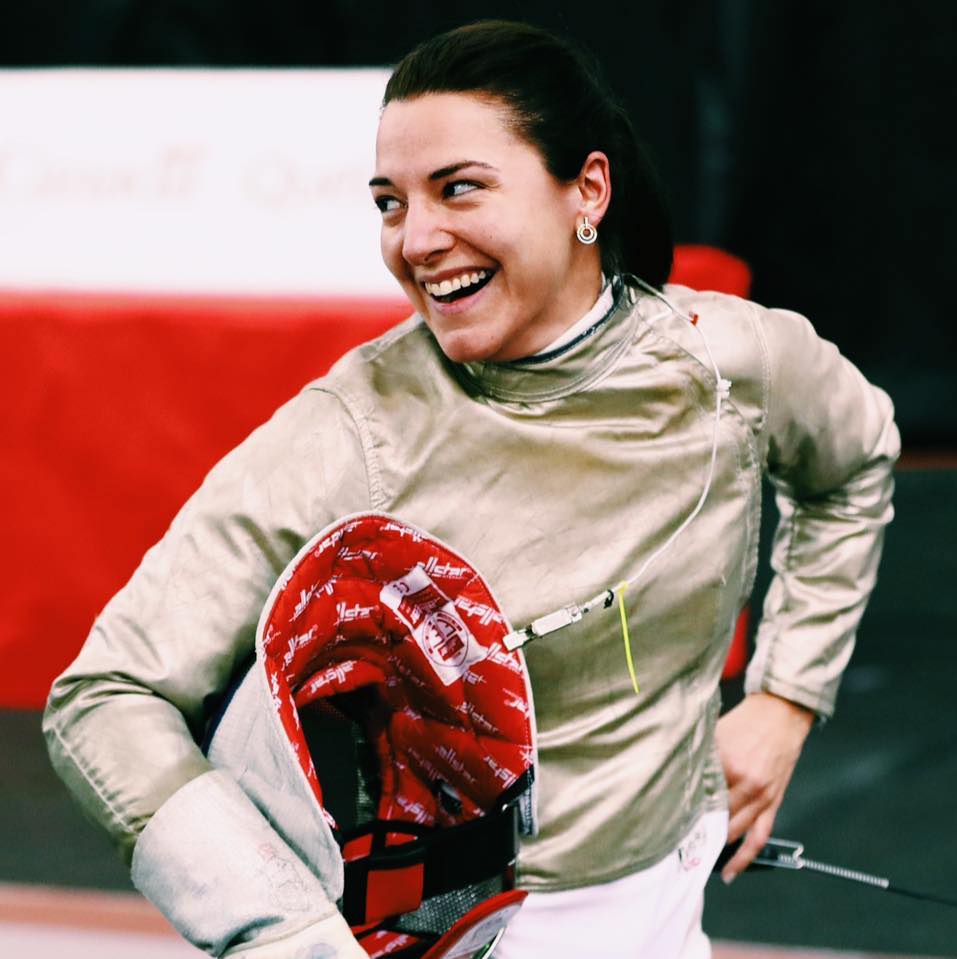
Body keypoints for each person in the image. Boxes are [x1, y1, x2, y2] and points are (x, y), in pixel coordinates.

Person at [44, 19, 899, 959]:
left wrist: (784, 699)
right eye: (388, 202)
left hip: (669, 903)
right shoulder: (354, 430)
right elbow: (107, 695)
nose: (417, 239)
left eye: (459, 189)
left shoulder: (729, 362)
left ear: (588, 191)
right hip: (451, 935)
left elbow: (855, 462)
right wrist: (279, 930)